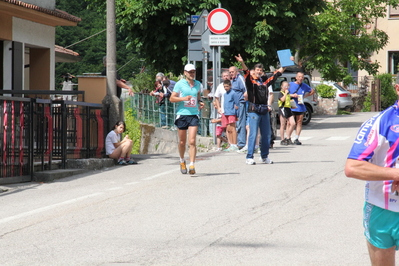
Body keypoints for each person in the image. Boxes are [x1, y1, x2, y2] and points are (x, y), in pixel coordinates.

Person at [345, 73, 399, 266]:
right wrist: (395, 174)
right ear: (398, 89)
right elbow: (353, 167)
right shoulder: (379, 122)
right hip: (382, 209)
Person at [235, 54, 287, 165]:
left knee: (267, 134)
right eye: (257, 70)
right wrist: (242, 62)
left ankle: (264, 156)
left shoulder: (264, 80)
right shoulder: (249, 81)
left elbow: (277, 73)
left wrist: (287, 63)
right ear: (253, 71)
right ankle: (249, 157)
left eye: (261, 70)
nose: (259, 72)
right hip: (254, 110)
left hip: (264, 110)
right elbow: (246, 71)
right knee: (253, 134)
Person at [169, 63, 205, 175]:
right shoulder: (180, 84)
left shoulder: (198, 84)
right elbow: (171, 98)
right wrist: (184, 98)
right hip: (182, 114)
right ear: (185, 73)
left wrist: (200, 102)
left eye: (193, 72)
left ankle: (192, 164)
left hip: (194, 114)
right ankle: (181, 160)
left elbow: (198, 96)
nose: (192, 74)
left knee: (192, 141)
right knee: (182, 141)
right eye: (189, 72)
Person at [289, 72, 315, 145]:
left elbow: (312, 91)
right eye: (299, 77)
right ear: (296, 77)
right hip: (292, 105)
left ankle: (296, 138)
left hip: (300, 106)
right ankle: (288, 137)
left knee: (299, 121)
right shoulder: (290, 84)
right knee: (290, 123)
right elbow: (284, 92)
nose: (300, 78)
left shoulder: (304, 86)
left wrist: (305, 96)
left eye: (302, 77)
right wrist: (292, 95)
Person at [229, 66, 247, 149]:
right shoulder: (233, 80)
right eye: (230, 72)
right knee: (237, 123)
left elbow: (245, 90)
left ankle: (241, 143)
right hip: (236, 104)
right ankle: (239, 142)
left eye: (232, 72)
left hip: (241, 103)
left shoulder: (240, 78)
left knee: (241, 123)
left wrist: (242, 100)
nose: (231, 73)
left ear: (236, 71)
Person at [214, 70, 232, 144]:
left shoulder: (232, 84)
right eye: (224, 76)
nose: (225, 77)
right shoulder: (220, 86)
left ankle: (233, 143)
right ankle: (229, 143)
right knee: (226, 128)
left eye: (227, 75)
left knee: (232, 127)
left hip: (232, 109)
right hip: (224, 110)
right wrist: (218, 108)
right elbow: (216, 97)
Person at [222, 79, 240, 151]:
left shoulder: (233, 93)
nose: (226, 88)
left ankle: (234, 144)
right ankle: (231, 144)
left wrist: (237, 113)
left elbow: (237, 104)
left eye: (227, 86)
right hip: (226, 113)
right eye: (224, 86)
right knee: (228, 129)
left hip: (232, 113)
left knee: (232, 128)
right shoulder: (224, 94)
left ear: (230, 86)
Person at [278, 81, 296, 145]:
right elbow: (282, 100)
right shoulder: (281, 93)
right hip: (282, 109)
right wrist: (285, 93)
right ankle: (282, 139)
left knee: (293, 123)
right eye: (285, 86)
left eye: (287, 86)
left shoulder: (288, 93)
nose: (286, 87)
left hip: (288, 109)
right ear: (282, 86)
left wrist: (292, 106)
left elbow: (288, 101)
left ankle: (288, 137)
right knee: (283, 125)